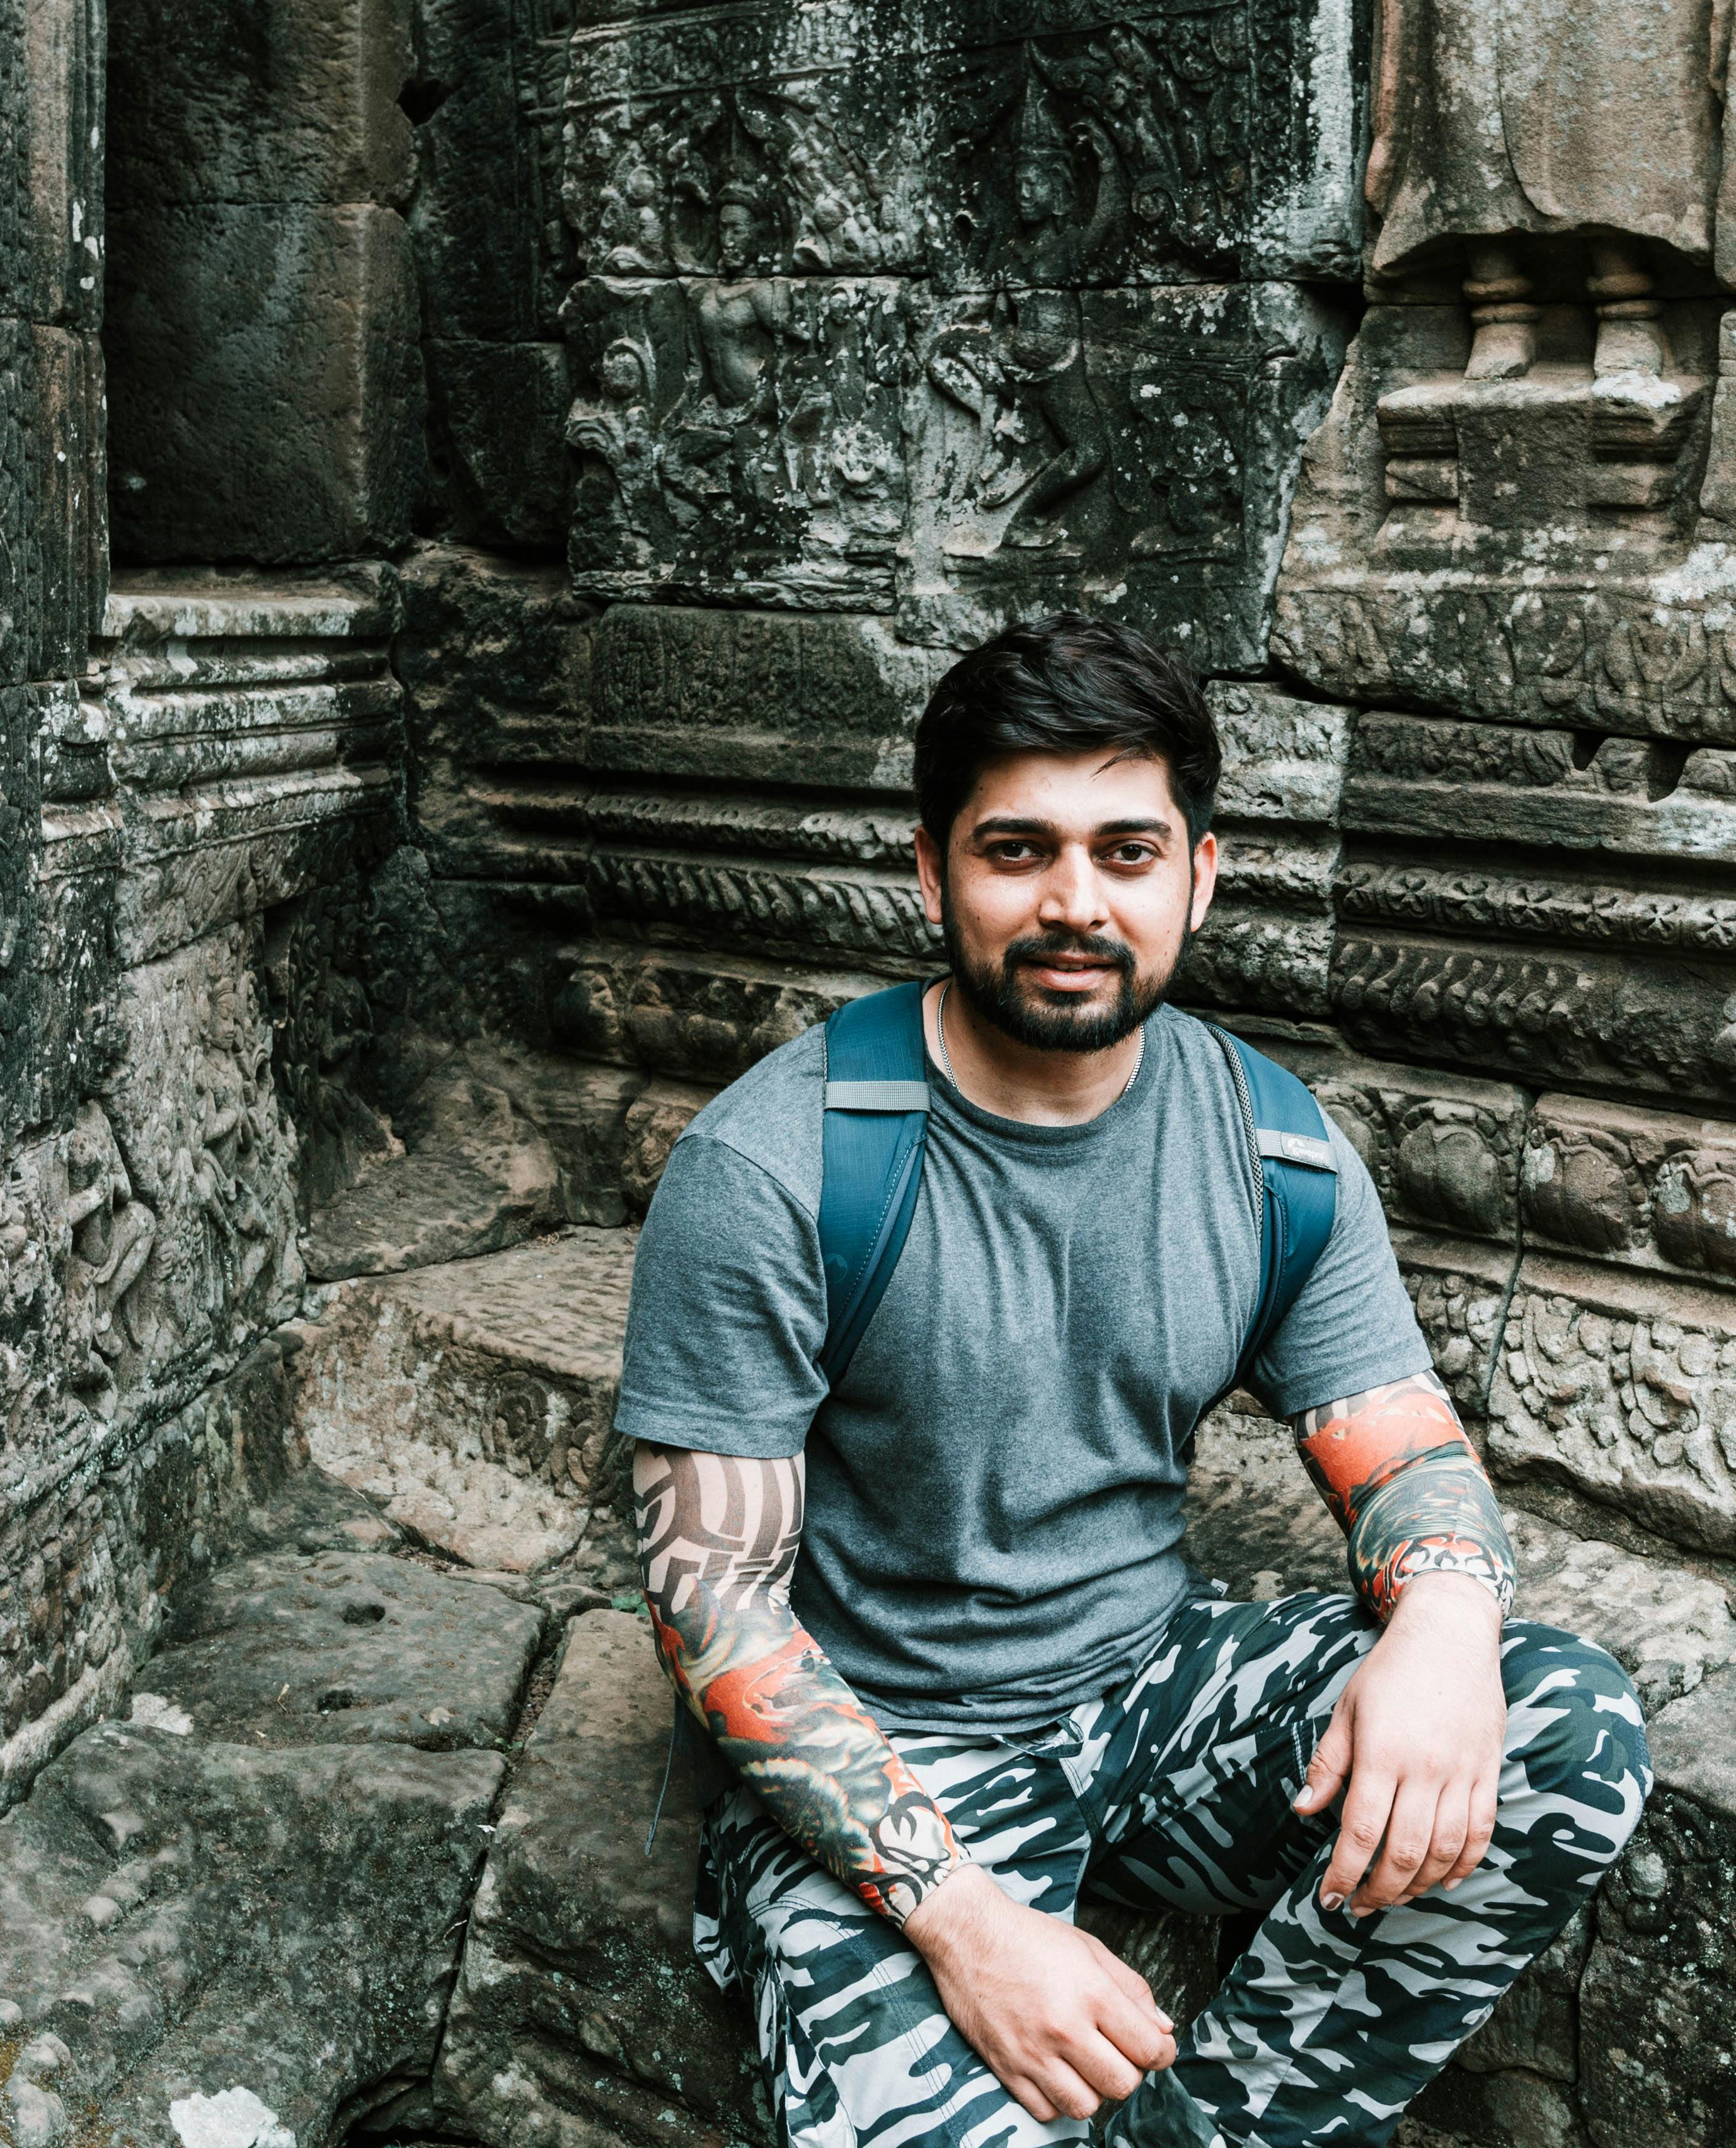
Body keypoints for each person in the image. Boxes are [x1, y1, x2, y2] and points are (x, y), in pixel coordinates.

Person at [614, 614, 1652, 2148]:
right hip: (891, 1740)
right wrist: (969, 1925)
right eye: (1017, 850)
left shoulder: (1273, 1147)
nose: (1074, 903)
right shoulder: (776, 1165)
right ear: (932, 874)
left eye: (1126, 852)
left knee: (1563, 1726)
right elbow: (717, 1610)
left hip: (1152, 1695)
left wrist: (1444, 1624)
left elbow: (1408, 1449)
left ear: (1199, 876)